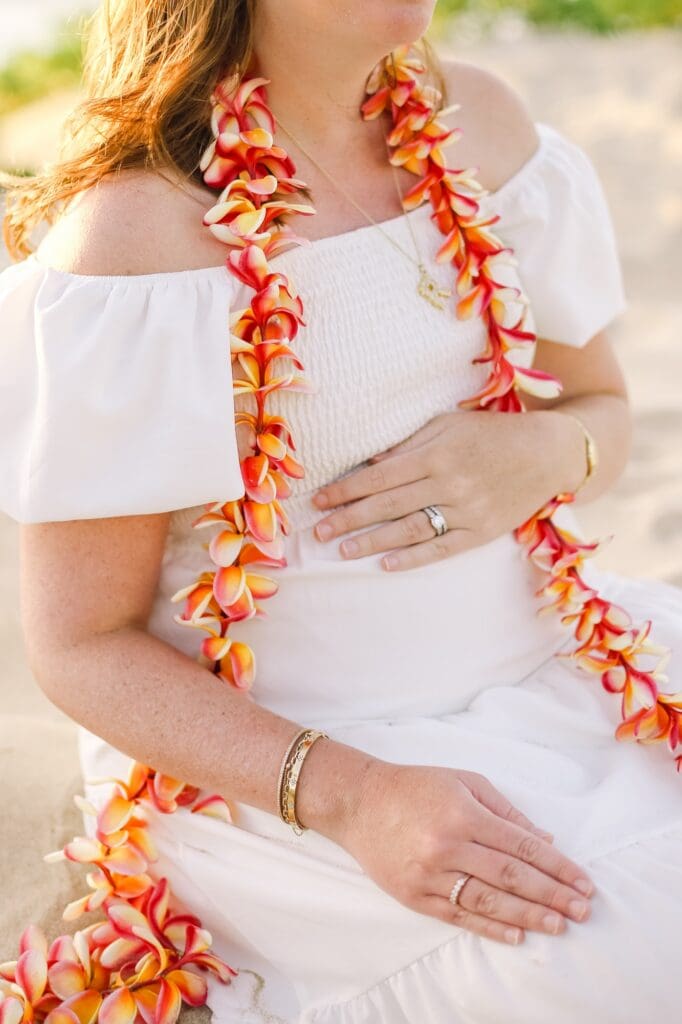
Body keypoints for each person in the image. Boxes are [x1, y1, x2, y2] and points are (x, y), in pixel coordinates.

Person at [1, 0, 681, 1021]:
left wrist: (541, 452)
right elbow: (81, 644)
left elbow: (604, 413)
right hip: (298, 763)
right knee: (630, 944)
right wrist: (356, 795)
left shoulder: (483, 125)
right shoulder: (138, 236)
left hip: (563, 666)